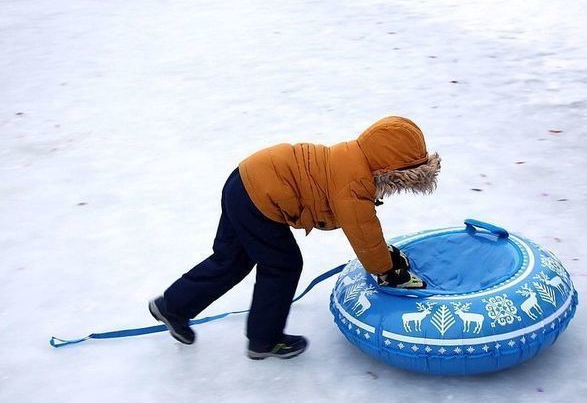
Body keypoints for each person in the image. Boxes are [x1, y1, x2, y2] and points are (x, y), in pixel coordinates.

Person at [149, 116, 441, 360]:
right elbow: (364, 233)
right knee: (283, 265)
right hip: (260, 198)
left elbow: (364, 227)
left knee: (232, 259)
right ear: (389, 170)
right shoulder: (354, 185)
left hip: (243, 180)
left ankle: (172, 306)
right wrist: (387, 268)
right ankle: (264, 339)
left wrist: (384, 258)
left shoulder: (350, 159)